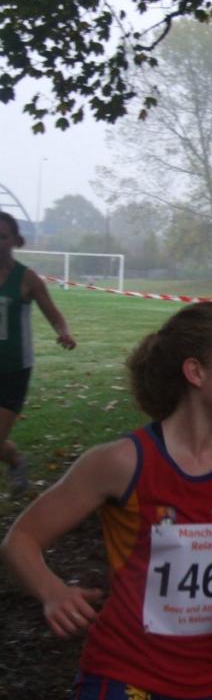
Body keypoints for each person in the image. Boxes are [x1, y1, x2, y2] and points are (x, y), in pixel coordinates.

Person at [0, 302, 212, 700]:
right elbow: (20, 540)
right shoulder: (122, 462)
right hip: (122, 677)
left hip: (204, 688)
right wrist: (52, 592)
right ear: (196, 372)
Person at [0, 210, 76, 494]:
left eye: (2, 236)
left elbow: (54, 315)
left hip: (13, 370)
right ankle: (15, 460)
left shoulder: (27, 278)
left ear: (15, 240)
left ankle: (16, 461)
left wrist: (63, 333)